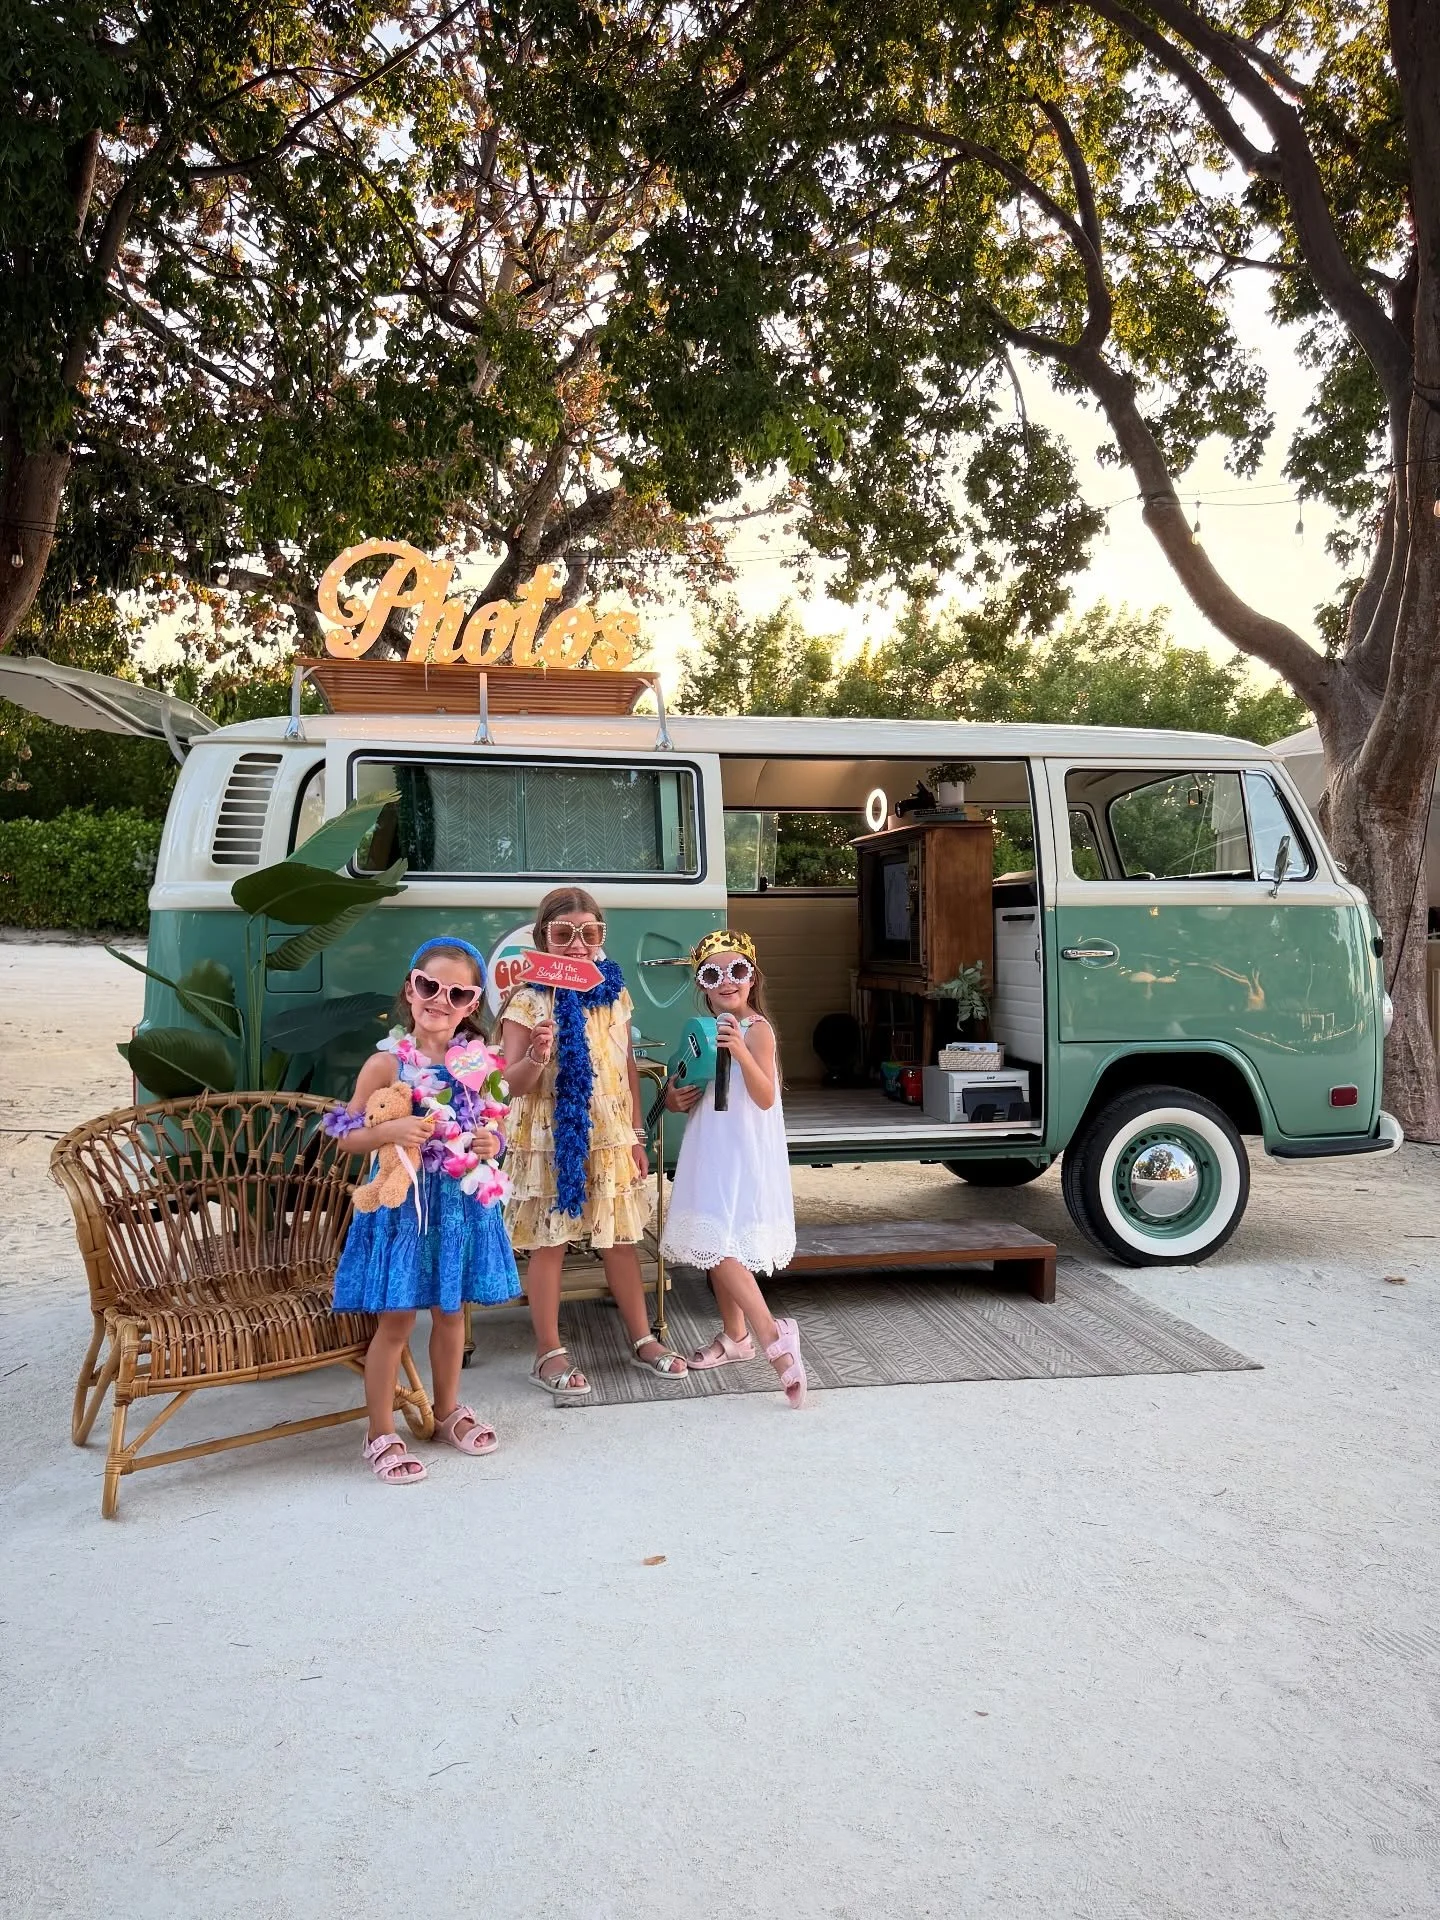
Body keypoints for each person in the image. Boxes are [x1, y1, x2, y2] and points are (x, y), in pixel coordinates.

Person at [326, 938, 520, 1483]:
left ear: (471, 1004)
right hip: (403, 1207)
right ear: (411, 988)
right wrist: (390, 1129)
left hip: (457, 1204)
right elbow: (347, 1135)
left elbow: (495, 1125)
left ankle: (445, 1411)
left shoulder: (480, 1065)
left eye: (457, 993)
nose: (440, 999)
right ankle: (380, 1429)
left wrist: (490, 1144)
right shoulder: (385, 1062)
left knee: (453, 1311)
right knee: (396, 1320)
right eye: (429, 986)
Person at [500, 887, 688, 1397]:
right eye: (565, 935)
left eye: (591, 933)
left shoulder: (614, 991)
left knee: (620, 1238)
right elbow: (508, 1082)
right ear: (544, 939)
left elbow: (626, 1064)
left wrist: (634, 1136)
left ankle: (643, 1337)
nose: (579, 945)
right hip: (549, 1134)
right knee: (551, 1239)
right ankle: (548, 1349)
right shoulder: (528, 998)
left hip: (608, 1131)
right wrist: (538, 1055)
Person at [659, 931, 805, 1407]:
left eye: (737, 971)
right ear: (702, 983)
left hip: (743, 1148)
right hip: (711, 1143)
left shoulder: (757, 1029)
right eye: (713, 973)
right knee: (717, 1239)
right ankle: (736, 1336)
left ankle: (772, 1336)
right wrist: (674, 1098)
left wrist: (740, 1049)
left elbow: (765, 1097)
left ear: (751, 977)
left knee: (720, 1241)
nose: (727, 981)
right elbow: (687, 1087)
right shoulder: (701, 1030)